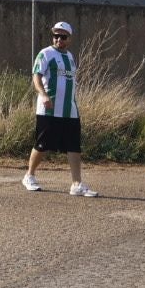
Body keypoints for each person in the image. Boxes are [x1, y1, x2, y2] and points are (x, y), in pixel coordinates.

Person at [23, 21, 97, 197]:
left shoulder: (70, 57)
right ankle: (29, 176)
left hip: (70, 110)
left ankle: (76, 184)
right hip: (48, 109)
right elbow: (36, 77)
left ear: (68, 39)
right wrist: (44, 95)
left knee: (74, 146)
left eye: (63, 37)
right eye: (56, 36)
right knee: (43, 144)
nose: (58, 39)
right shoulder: (46, 54)